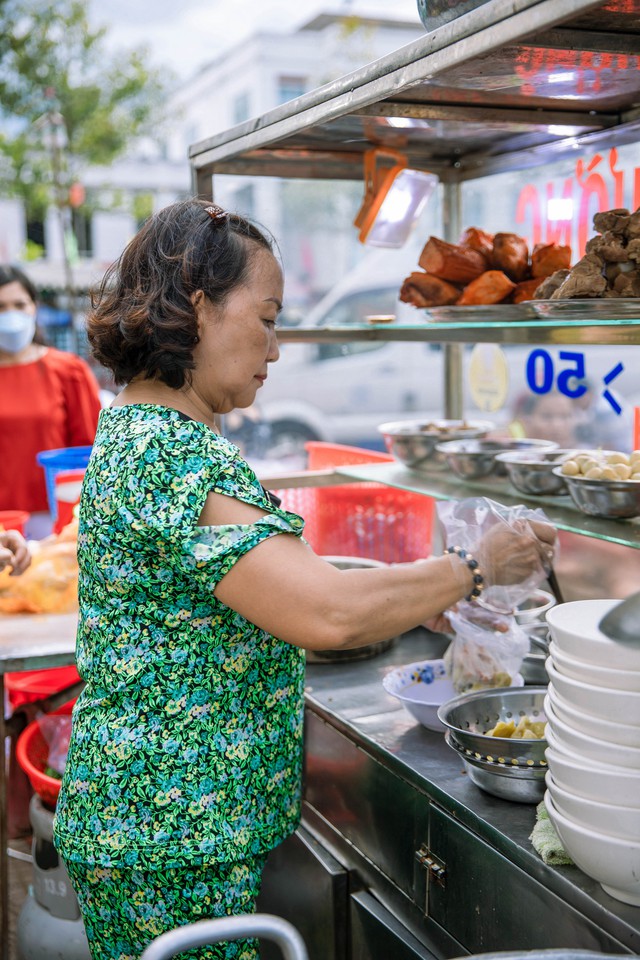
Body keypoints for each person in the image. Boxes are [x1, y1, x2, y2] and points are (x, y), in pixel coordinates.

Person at [52, 199, 556, 960]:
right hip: (171, 840)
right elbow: (327, 612)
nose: (277, 347)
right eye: (268, 317)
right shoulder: (172, 453)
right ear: (199, 308)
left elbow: (269, 588)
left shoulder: (139, 429)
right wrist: (477, 566)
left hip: (156, 825)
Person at [0, 265, 103, 538]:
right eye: (1, 307)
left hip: (58, 522)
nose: (10, 315)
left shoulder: (68, 371)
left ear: (34, 307)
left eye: (19, 304)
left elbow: (92, 448)